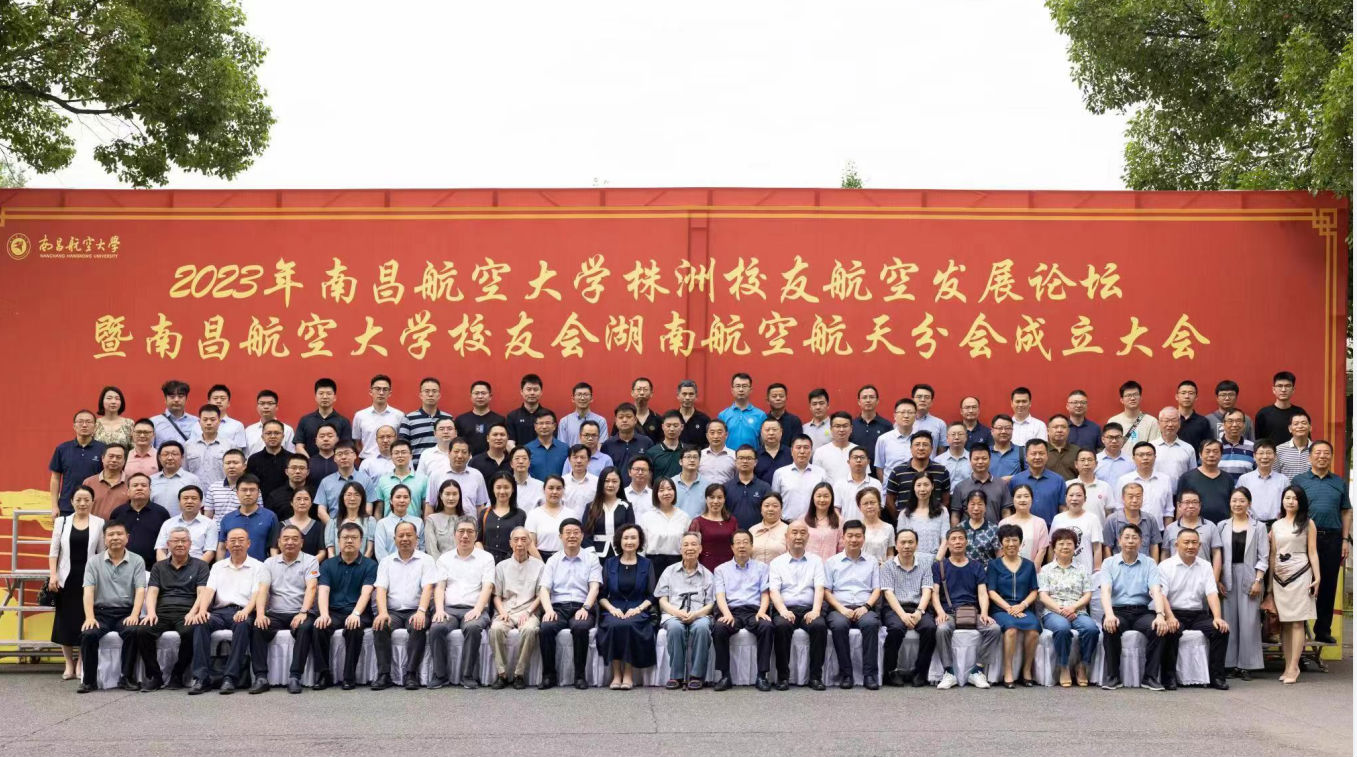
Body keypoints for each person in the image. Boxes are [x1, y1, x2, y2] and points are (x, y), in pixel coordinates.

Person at [129, 527, 208, 691]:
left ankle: (177, 675)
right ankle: (155, 676)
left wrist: (192, 613)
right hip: (162, 612)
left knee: (191, 632)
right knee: (142, 631)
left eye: (183, 541)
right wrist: (151, 613)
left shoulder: (200, 565)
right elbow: (152, 592)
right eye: (175, 541)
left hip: (187, 612)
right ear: (168, 544)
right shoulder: (159, 566)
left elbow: (202, 593)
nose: (180, 544)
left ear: (190, 544)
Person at [249, 525, 322, 695]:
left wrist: (303, 612)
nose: (290, 542)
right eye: (286, 539)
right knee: (258, 626)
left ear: (301, 543)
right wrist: (260, 614)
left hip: (299, 611)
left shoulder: (310, 560)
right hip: (276, 613)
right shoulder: (269, 563)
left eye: (295, 539)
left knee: (305, 627)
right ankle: (261, 677)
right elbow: (263, 589)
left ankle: (295, 676)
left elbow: (312, 588)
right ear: (279, 543)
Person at [187, 527, 261, 695]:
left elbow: (257, 594)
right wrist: (202, 611)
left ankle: (230, 677)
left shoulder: (258, 566)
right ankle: (201, 678)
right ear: (226, 545)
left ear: (248, 543)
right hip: (219, 612)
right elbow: (209, 591)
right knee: (201, 622)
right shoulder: (217, 566)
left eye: (241, 540)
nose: (236, 544)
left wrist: (246, 611)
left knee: (242, 624)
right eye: (232, 540)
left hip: (243, 610)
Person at [75, 521, 146, 693]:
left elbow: (140, 590)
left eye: (119, 534)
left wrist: (135, 615)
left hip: (126, 612)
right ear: (104, 539)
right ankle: (89, 681)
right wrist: (90, 617)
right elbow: (88, 591)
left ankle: (126, 678)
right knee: (88, 634)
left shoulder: (137, 560)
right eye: (110, 534)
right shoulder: (93, 562)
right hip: (101, 613)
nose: (115, 538)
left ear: (127, 538)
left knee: (134, 631)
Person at [1291, 440, 1350, 644]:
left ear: (1331, 457)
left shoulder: (1339, 482)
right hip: (1304, 537)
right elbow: (1291, 508)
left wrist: (1345, 539)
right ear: (1310, 457)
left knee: (1328, 584)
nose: (1322, 456)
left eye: (1326, 453)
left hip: (1333, 539)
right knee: (1301, 583)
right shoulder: (1299, 480)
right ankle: (1297, 629)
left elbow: (1346, 511)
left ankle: (1323, 630)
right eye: (1317, 453)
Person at [1157, 528, 1231, 690]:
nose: (1190, 546)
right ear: (1176, 545)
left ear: (1200, 545)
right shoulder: (1165, 566)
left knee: (1221, 630)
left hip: (1198, 614)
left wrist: (1217, 617)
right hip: (1174, 612)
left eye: (1194, 542)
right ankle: (1169, 677)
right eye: (1186, 542)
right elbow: (1161, 595)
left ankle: (1217, 677)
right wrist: (1169, 617)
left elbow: (1211, 593)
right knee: (1170, 631)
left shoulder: (1205, 566)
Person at [1098, 523, 1169, 690]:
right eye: (1127, 537)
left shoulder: (1149, 563)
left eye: (1134, 538)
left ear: (1141, 541)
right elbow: (1106, 591)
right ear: (1119, 540)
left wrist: (1160, 615)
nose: (1130, 541)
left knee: (1158, 628)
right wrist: (1109, 614)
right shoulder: (1109, 563)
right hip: (1117, 611)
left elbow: (1156, 590)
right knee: (1110, 627)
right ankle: (1113, 676)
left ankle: (1150, 677)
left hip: (1141, 612)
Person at [428, 515, 494, 689]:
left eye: (470, 532)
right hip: (449, 609)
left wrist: (478, 609)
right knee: (436, 628)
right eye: (461, 531)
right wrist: (439, 610)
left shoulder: (486, 558)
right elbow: (440, 587)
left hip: (475, 608)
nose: (465, 536)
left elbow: (487, 587)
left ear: (476, 535)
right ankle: (440, 675)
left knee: (473, 627)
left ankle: (467, 675)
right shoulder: (444, 559)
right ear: (454, 534)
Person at [537, 519, 602, 690]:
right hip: (557, 607)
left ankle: (579, 676)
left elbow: (594, 587)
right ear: (561, 536)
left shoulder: (591, 559)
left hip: (582, 606)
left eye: (576, 532)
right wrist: (548, 610)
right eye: (568, 532)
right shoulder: (553, 560)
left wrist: (586, 608)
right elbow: (544, 589)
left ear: (582, 536)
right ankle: (549, 676)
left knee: (580, 627)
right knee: (546, 628)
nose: (572, 536)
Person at [370, 521, 436, 691]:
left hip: (417, 609)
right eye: (401, 535)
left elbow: (428, 588)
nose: (405, 538)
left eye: (409, 535)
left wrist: (421, 611)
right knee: (380, 625)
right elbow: (381, 589)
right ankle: (384, 675)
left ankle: (411, 674)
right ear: (394, 539)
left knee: (418, 624)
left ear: (416, 538)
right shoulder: (386, 562)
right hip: (393, 612)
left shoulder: (426, 560)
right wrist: (382, 612)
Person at [931, 527, 999, 689]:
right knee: (942, 629)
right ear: (947, 543)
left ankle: (977, 671)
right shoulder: (939, 567)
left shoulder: (976, 566)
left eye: (961, 538)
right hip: (949, 613)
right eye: (953, 539)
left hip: (972, 612)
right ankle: (949, 672)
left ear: (967, 542)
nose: (958, 542)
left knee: (994, 629)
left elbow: (982, 593)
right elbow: (934, 593)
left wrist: (984, 613)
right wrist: (940, 612)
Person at [48, 486, 104, 680]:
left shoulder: (99, 523)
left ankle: (80, 661)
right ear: (71, 501)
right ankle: (68, 663)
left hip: (89, 579)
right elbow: (54, 551)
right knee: (65, 621)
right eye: (78, 499)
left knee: (85, 619)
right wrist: (53, 575)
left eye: (86, 499)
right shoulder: (62, 522)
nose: (82, 503)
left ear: (92, 502)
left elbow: (101, 552)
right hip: (66, 578)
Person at [314, 522, 378, 690]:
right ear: (338, 541)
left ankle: (349, 676)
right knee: (319, 626)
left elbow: (366, 592)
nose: (349, 541)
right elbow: (323, 591)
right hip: (334, 612)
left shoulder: (370, 565)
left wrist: (356, 613)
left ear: (361, 541)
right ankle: (323, 674)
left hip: (359, 612)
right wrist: (324, 614)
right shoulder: (327, 565)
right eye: (345, 537)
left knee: (354, 628)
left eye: (354, 538)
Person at [768, 520, 829, 690]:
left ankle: (815, 677)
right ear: (786, 536)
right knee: (781, 626)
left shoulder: (816, 561)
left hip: (809, 608)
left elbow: (819, 588)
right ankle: (783, 677)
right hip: (786, 609)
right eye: (794, 533)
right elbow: (774, 591)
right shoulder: (777, 563)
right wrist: (783, 611)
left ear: (808, 537)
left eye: (803, 533)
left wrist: (816, 610)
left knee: (819, 626)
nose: (798, 536)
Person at [712, 530, 775, 691]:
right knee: (719, 628)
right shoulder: (721, 570)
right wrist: (727, 614)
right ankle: (725, 676)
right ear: (732, 547)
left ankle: (762, 676)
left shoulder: (762, 568)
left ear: (752, 546)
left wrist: (762, 611)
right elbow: (720, 596)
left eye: (746, 542)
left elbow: (765, 594)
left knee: (767, 626)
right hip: (731, 610)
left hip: (754, 611)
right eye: (738, 542)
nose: (742, 546)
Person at [1269, 485, 1320, 684]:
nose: (1290, 501)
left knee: (1298, 622)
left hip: (1301, 573)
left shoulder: (1308, 523)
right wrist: (1269, 586)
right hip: (1279, 576)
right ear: (1282, 500)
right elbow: (1273, 554)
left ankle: (1293, 667)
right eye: (1287, 497)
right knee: (1285, 623)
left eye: (1295, 498)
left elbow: (1313, 552)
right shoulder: (1276, 525)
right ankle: (1288, 665)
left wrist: (1317, 577)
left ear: (1301, 502)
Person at [824, 520, 883, 689]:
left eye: (858, 536)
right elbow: (826, 591)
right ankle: (846, 674)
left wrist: (866, 607)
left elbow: (877, 589)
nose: (854, 539)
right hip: (839, 608)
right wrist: (841, 609)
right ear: (843, 537)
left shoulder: (872, 561)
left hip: (864, 607)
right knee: (839, 625)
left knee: (871, 624)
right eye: (850, 536)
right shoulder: (832, 562)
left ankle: (870, 675)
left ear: (864, 538)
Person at [596, 524, 656, 689]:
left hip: (638, 608)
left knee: (629, 624)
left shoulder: (646, 564)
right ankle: (616, 674)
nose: (629, 541)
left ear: (639, 541)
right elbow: (602, 595)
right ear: (619, 541)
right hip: (613, 608)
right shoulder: (609, 563)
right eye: (626, 538)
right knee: (614, 624)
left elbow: (652, 595)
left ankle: (628, 674)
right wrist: (612, 609)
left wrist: (637, 609)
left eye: (633, 538)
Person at [1216, 487, 1267, 680]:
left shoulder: (1259, 527)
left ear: (1249, 503)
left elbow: (1263, 557)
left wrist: (1258, 580)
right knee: (1228, 620)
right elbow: (1217, 555)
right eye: (1234, 500)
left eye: (1242, 500)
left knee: (1249, 622)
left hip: (1250, 577)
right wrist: (1217, 579)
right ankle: (1229, 664)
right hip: (1227, 577)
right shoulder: (1222, 526)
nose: (1237, 504)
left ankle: (1247, 665)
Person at [1038, 528, 1099, 687]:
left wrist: (1072, 608)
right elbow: (1043, 596)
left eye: (1069, 543)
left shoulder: (1082, 569)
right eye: (1061, 543)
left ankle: (1082, 665)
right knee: (1062, 628)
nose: (1065, 547)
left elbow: (1087, 594)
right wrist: (1060, 610)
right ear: (1054, 548)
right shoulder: (1046, 569)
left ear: (1075, 547)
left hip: (1077, 610)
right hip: (1053, 611)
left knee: (1091, 629)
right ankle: (1063, 666)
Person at [657, 533, 715, 690]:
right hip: (673, 614)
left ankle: (697, 676)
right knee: (675, 628)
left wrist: (696, 614)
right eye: (686, 544)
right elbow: (662, 600)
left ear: (700, 548)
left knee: (702, 628)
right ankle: (676, 676)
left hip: (700, 615)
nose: (690, 548)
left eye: (694, 544)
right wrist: (676, 612)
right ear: (680, 549)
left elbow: (710, 604)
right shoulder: (669, 571)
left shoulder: (708, 575)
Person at [881, 528, 936, 687]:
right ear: (896, 545)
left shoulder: (925, 565)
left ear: (916, 544)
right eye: (903, 542)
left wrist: (919, 612)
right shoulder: (887, 566)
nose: (907, 546)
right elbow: (888, 593)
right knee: (895, 629)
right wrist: (903, 615)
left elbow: (927, 590)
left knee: (930, 628)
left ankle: (920, 672)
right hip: (895, 608)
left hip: (918, 606)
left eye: (910, 542)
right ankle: (891, 671)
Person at [489, 527, 544, 689]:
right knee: (496, 629)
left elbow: (541, 595)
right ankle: (502, 674)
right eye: (516, 540)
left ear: (530, 542)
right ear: (510, 543)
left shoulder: (539, 566)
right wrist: (502, 611)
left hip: (529, 610)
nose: (520, 544)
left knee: (529, 630)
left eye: (523, 540)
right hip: (506, 609)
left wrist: (528, 612)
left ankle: (519, 674)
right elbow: (496, 595)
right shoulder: (501, 566)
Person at [987, 524, 1040, 688]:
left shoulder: (1029, 565)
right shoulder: (994, 565)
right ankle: (1008, 670)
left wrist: (1022, 605)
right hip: (1001, 608)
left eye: (1015, 540)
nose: (1011, 544)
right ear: (1001, 543)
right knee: (1010, 629)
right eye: (1007, 540)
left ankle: (1026, 670)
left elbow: (1034, 591)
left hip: (1023, 608)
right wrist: (1009, 608)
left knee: (1034, 629)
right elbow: (991, 592)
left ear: (1021, 542)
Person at [884, 431, 950, 519]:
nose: (921, 448)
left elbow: (946, 499)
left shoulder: (942, 471)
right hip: (906, 522)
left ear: (932, 448)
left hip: (933, 520)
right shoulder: (897, 471)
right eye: (917, 444)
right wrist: (899, 519)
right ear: (911, 448)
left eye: (925, 445)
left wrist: (937, 516)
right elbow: (889, 500)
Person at [108, 473, 169, 567]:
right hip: (121, 566)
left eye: (144, 485)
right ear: (128, 491)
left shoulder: (161, 513)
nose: (139, 488)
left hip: (152, 568)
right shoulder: (118, 513)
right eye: (135, 485)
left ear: (150, 490)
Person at [218, 475, 280, 562]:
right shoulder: (227, 518)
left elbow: (273, 548)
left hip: (260, 567)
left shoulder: (270, 517)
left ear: (258, 493)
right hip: (231, 568)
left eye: (252, 490)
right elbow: (222, 547)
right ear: (237, 493)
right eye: (244, 490)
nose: (248, 493)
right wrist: (219, 567)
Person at [770, 435, 829, 521]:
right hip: (786, 523)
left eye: (806, 448)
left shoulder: (821, 473)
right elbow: (774, 501)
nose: (802, 451)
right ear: (791, 451)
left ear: (811, 451)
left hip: (813, 523)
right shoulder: (780, 473)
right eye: (798, 447)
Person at [639, 478, 690, 576]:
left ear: (674, 492)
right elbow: (642, 546)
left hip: (678, 564)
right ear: (655, 493)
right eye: (661, 490)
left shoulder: (684, 517)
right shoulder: (647, 517)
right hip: (653, 565)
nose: (666, 493)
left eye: (670, 489)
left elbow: (688, 544)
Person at [1049, 482, 1103, 575]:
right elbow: (1051, 546)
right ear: (1066, 498)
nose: (1074, 498)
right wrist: (1050, 568)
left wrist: (1097, 571)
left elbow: (1097, 548)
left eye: (1078, 495)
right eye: (1071, 495)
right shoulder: (1058, 518)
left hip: (1084, 573)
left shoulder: (1092, 518)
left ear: (1085, 499)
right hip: (1059, 573)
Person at [399, 377, 456, 466]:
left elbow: (454, 444)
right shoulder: (409, 419)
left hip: (444, 467)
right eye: (427, 391)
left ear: (439, 395)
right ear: (421, 395)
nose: (430, 394)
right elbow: (402, 446)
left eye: (434, 391)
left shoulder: (448, 419)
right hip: (417, 468)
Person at [154, 486, 218, 562]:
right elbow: (160, 549)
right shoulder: (168, 523)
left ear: (201, 502)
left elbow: (210, 552)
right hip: (170, 566)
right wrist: (164, 568)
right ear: (179, 502)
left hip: (197, 566)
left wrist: (196, 568)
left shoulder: (210, 524)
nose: (189, 501)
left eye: (194, 498)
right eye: (185, 498)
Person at [1009, 438, 1064, 526]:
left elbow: (1063, 508)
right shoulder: (1016, 480)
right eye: (1033, 454)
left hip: (1051, 530)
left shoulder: (1058, 480)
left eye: (1041, 453)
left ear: (1047, 456)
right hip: (1021, 530)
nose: (1037, 457)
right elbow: (1010, 508)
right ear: (1026, 457)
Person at [315, 441, 378, 517]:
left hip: (359, 523)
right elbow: (321, 511)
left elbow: (368, 509)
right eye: (339, 454)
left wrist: (357, 523)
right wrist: (332, 524)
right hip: (334, 522)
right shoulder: (326, 482)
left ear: (355, 455)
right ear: (334, 458)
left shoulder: (366, 480)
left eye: (347, 453)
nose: (343, 457)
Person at [952, 444, 1011, 524]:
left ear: (990, 460)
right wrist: (955, 531)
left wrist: (1006, 530)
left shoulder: (1001, 484)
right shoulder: (960, 487)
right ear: (970, 461)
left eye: (984, 458)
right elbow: (955, 515)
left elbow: (1006, 511)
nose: (980, 462)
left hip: (995, 530)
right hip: (967, 531)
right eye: (976, 459)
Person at [1102, 482, 1162, 561]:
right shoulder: (1112, 520)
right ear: (1123, 498)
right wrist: (1110, 566)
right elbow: (1107, 547)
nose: (1134, 500)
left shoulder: (1150, 519)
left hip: (1145, 566)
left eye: (1138, 496)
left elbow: (1154, 546)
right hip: (1119, 566)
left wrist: (1154, 566)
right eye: (1130, 497)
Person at [1116, 442, 1173, 523]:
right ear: (1133, 458)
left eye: (1149, 454)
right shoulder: (1124, 480)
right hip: (1131, 528)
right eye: (1141, 455)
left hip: (1158, 529)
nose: (1145, 458)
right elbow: (1119, 508)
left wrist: (1167, 530)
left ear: (1155, 457)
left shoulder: (1165, 479)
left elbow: (1168, 511)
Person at [1177, 440, 1233, 522]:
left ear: (1221, 455)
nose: (1211, 455)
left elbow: (1232, 506)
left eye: (1215, 452)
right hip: (1195, 526)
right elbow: (1180, 506)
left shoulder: (1228, 478)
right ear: (1200, 454)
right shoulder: (1187, 478)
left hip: (1223, 525)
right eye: (1207, 451)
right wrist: (1179, 526)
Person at [582, 468, 633, 558]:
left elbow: (631, 532)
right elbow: (586, 533)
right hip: (595, 555)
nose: (610, 485)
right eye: (607, 481)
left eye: (614, 481)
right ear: (601, 483)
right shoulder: (591, 507)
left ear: (620, 483)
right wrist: (591, 554)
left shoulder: (626, 506)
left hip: (621, 554)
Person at [352, 374, 404, 460]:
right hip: (367, 460)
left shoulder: (399, 415)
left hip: (392, 461)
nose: (381, 393)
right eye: (377, 389)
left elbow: (401, 441)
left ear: (390, 393)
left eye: (385, 389)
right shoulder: (360, 416)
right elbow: (356, 442)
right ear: (370, 392)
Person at [602, 403, 653, 488]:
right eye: (621, 417)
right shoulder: (608, 444)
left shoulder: (646, 442)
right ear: (616, 421)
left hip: (641, 490)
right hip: (615, 490)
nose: (624, 420)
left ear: (635, 420)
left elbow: (650, 470)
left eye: (628, 417)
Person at [898, 476, 949, 560]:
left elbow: (945, 539)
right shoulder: (904, 514)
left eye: (926, 485)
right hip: (911, 561)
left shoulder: (942, 511)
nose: (922, 489)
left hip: (935, 560)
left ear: (932, 486)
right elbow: (901, 542)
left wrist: (937, 561)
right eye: (918, 485)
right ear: (914, 487)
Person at [481, 473, 529, 562]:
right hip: (487, 563)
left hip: (511, 563)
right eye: (498, 487)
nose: (502, 491)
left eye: (506, 487)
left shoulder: (520, 515)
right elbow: (478, 540)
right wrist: (484, 557)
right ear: (493, 489)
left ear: (513, 489)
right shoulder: (484, 513)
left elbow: (525, 541)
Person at [689, 484, 737, 571]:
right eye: (712, 497)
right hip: (706, 567)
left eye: (719, 497)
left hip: (729, 568)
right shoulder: (697, 522)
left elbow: (737, 544)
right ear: (706, 499)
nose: (715, 501)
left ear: (724, 499)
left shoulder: (732, 521)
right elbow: (691, 548)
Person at [451, 380, 505, 457]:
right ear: (471, 396)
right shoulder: (461, 420)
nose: (480, 396)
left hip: (492, 461)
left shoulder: (500, 420)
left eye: (483, 393)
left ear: (490, 396)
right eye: (476, 393)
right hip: (467, 461)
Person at [998, 485, 1049, 566]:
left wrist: (1032, 570)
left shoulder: (1040, 523)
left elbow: (1042, 550)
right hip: (1007, 570)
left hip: (1032, 570)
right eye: (1018, 497)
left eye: (1026, 496)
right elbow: (1000, 549)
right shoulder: (1004, 523)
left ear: (1031, 499)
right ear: (1013, 500)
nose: (1022, 500)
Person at [323, 482, 377, 559]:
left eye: (356, 495)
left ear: (362, 498)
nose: (352, 498)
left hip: (363, 564)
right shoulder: (333, 522)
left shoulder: (370, 521)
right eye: (348, 495)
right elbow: (330, 552)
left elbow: (370, 550)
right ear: (342, 498)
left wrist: (361, 564)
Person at [525, 476, 571, 563]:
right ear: (544, 490)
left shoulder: (571, 514)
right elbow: (530, 544)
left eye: (558, 488)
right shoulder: (534, 514)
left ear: (563, 490)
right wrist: (542, 565)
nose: (554, 492)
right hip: (540, 560)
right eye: (551, 488)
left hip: (566, 560)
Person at [725, 445, 773, 528]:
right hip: (733, 534)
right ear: (735, 462)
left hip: (758, 533)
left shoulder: (764, 487)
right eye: (741, 458)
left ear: (755, 462)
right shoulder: (726, 487)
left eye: (749, 458)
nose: (745, 461)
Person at [375, 441, 428, 515]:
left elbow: (426, 508)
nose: (400, 456)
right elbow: (379, 509)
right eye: (396, 453)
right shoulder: (383, 480)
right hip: (389, 522)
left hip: (414, 522)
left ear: (411, 456)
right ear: (391, 456)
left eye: (403, 452)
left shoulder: (423, 479)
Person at [1255, 371, 1307, 445]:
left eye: (1287, 386)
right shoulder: (1263, 414)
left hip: (1295, 452)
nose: (1283, 390)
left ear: (1293, 390)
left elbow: (1306, 438)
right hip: (1271, 452)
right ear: (1273, 390)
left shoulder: (1300, 413)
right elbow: (1259, 442)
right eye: (1279, 386)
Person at [372, 484, 423, 560]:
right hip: (389, 565)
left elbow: (422, 547)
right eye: (398, 497)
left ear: (410, 500)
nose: (402, 500)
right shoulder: (382, 524)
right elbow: (380, 551)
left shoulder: (418, 522)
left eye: (405, 497)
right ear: (391, 500)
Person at [149, 441, 201, 516]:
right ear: (159, 458)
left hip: (183, 522)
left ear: (182, 457)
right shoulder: (151, 480)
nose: (170, 458)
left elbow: (199, 507)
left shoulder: (192, 479)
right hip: (156, 522)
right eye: (165, 454)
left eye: (174, 454)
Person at [718, 372, 767, 451]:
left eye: (744, 386)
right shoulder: (723, 415)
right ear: (732, 390)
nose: (741, 389)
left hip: (752, 457)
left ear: (750, 390)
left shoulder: (761, 415)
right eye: (738, 386)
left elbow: (764, 442)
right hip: (729, 457)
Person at [1152, 407, 1198, 489]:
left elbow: (1193, 475)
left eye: (1173, 420)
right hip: (1157, 493)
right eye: (1166, 421)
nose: (1170, 424)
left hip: (1181, 493)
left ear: (1179, 423)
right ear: (1159, 424)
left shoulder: (1188, 448)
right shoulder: (1151, 447)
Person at [834, 447, 883, 522]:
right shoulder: (840, 484)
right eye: (855, 457)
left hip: (869, 527)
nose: (858, 460)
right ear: (848, 462)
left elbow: (879, 508)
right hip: (847, 527)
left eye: (862, 457)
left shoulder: (876, 483)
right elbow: (836, 508)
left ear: (868, 461)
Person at [851, 385, 893, 471]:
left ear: (877, 401)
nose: (868, 400)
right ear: (859, 402)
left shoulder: (886, 425)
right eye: (864, 397)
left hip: (879, 472)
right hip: (857, 471)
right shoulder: (852, 425)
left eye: (871, 397)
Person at [1067, 448, 1112, 529]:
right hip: (1073, 533)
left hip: (1099, 533)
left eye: (1090, 460)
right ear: (1076, 464)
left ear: (1096, 464)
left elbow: (1109, 513)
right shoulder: (1068, 485)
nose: (1086, 463)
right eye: (1082, 460)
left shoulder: (1105, 486)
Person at [184, 405, 229, 484]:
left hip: (220, 491)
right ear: (199, 422)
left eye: (212, 420)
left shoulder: (229, 445)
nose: (208, 423)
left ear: (219, 421)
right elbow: (184, 472)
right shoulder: (188, 445)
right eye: (205, 420)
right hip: (195, 490)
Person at [265, 453, 316, 522]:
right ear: (286, 471)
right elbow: (269, 521)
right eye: (294, 468)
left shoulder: (316, 495)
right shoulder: (275, 496)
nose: (297, 471)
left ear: (308, 472)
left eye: (302, 468)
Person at [424, 479, 468, 561]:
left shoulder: (467, 519)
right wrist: (441, 565)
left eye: (454, 494)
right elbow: (431, 550)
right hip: (440, 565)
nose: (451, 498)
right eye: (447, 494)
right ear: (441, 496)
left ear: (459, 496)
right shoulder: (432, 520)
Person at [246, 420, 292, 497]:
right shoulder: (253, 459)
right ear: (262, 437)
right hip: (261, 501)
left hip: (286, 501)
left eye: (277, 433)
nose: (273, 436)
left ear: (283, 436)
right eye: (268, 433)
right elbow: (250, 484)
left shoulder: (291, 459)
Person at [245, 389, 297, 457]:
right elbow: (245, 456)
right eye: (262, 403)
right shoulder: (249, 430)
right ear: (257, 407)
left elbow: (291, 455)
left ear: (276, 407)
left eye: (270, 403)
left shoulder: (287, 430)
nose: (266, 407)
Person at [83, 444, 128, 520]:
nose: (114, 460)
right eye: (111, 456)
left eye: (118, 457)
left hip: (120, 527)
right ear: (103, 458)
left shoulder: (131, 483)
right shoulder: (89, 483)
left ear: (124, 461)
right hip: (93, 526)